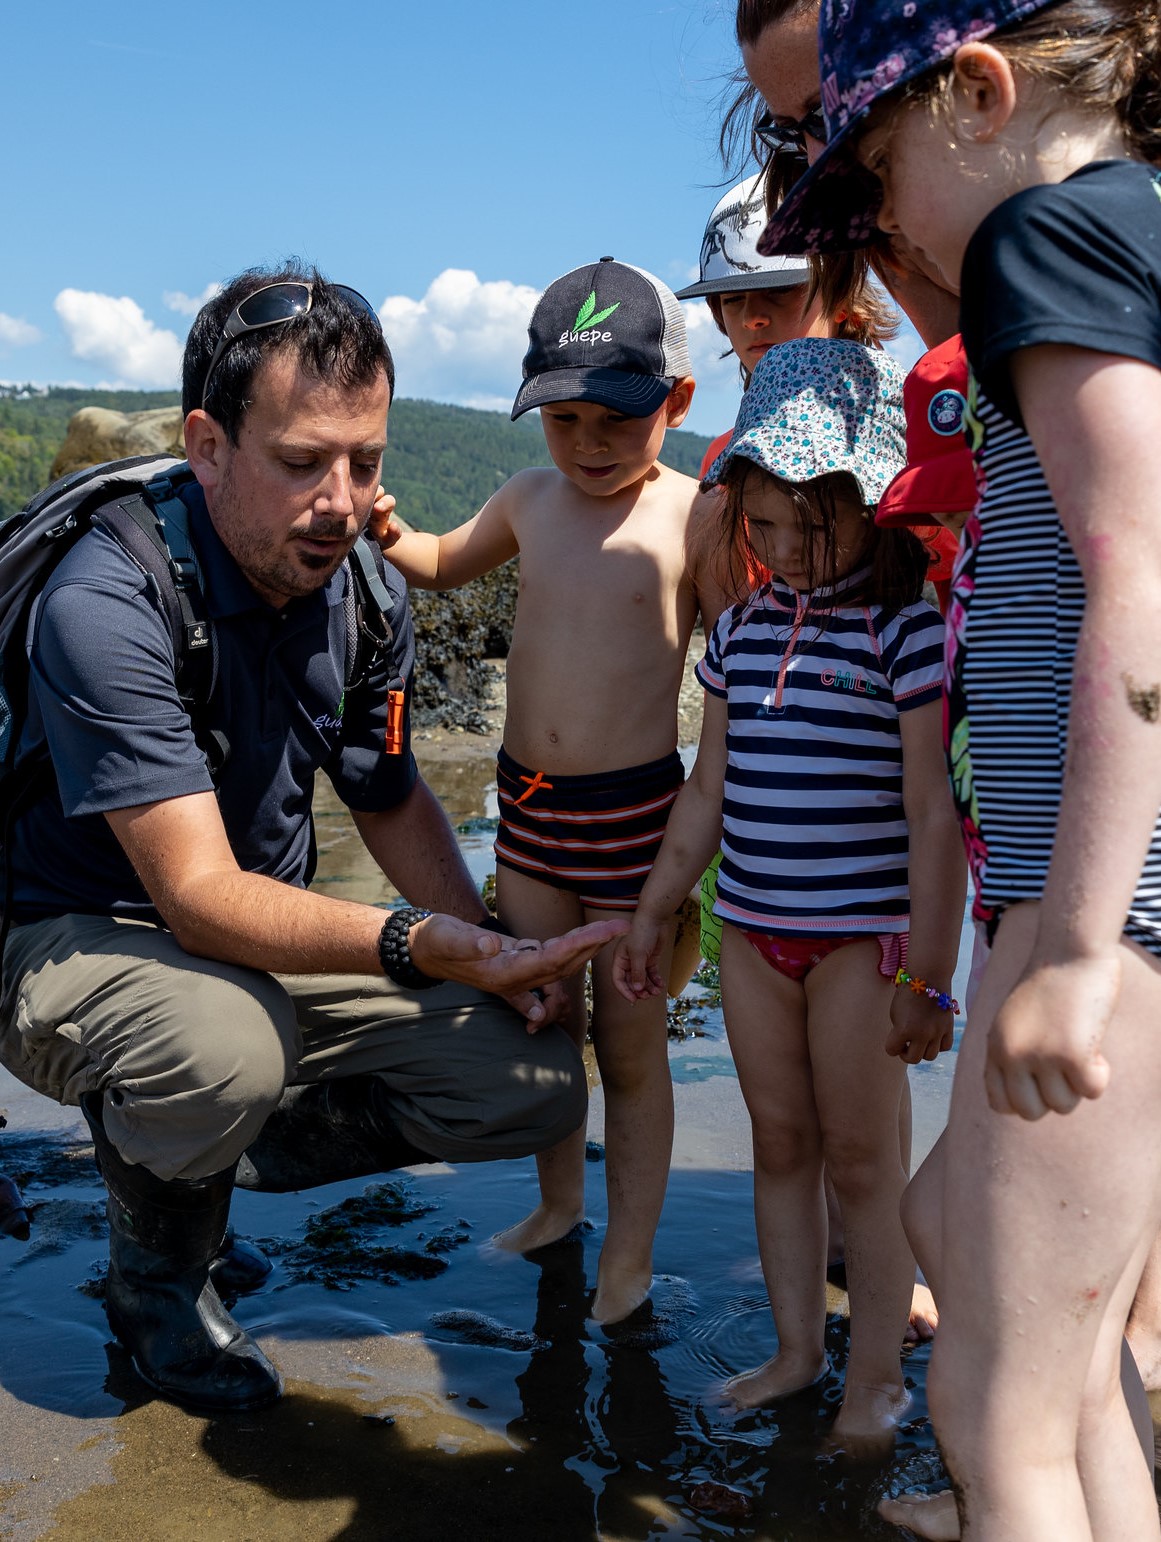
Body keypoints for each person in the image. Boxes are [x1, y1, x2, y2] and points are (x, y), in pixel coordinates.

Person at [0, 263, 624, 1415]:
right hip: (76, 934)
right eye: (301, 462)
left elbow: (385, 793)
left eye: (367, 461)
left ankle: (183, 1168)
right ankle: (157, 1294)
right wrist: (419, 943)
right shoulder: (109, 599)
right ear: (206, 444)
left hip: (247, 948)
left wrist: (489, 952)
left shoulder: (361, 591)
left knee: (534, 1078)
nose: (344, 500)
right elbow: (192, 896)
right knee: (218, 1048)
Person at [760, 0, 1161, 1533]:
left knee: (994, 1403)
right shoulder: (1132, 229)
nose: (879, 233)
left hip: (1107, 897)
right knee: (1047, 1359)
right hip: (1099, 895)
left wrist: (1069, 947)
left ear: (975, 96)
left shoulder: (1039, 244)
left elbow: (1136, 581)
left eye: (871, 174)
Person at [614, 336, 966, 1449]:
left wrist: (931, 975)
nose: (782, 550)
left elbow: (930, 818)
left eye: (807, 527)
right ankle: (795, 1350)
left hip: (862, 944)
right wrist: (659, 905)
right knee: (780, 1145)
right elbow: (708, 788)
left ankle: (875, 1379)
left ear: (868, 505)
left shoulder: (903, 634)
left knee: (863, 1158)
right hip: (756, 936)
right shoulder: (738, 634)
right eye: (761, 526)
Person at [375, 258, 706, 1327]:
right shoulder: (529, 498)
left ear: (678, 404)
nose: (591, 443)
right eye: (565, 419)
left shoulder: (695, 522)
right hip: (528, 821)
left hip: (637, 830)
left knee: (634, 1050)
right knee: (544, 1023)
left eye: (617, 416)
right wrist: (385, 532)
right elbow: (438, 561)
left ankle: (634, 1255)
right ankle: (561, 1206)